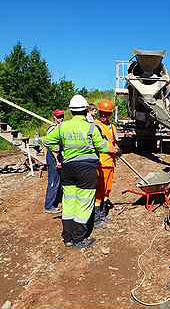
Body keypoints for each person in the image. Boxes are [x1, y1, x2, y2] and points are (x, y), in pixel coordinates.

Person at [45, 95, 118, 249]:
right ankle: (79, 238)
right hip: (86, 169)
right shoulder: (91, 127)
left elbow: (48, 141)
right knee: (84, 203)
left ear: (71, 111)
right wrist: (115, 149)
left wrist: (60, 151)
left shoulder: (62, 127)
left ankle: (68, 237)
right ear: (86, 110)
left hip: (68, 168)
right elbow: (103, 146)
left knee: (69, 201)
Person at [94, 99, 118, 227]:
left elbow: (114, 143)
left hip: (111, 163)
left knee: (107, 190)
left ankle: (103, 213)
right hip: (101, 163)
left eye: (107, 114)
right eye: (102, 113)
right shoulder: (96, 126)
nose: (104, 116)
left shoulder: (112, 127)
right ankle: (97, 218)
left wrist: (118, 149)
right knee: (99, 191)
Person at [44, 109, 64, 214]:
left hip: (58, 155)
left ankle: (55, 201)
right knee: (53, 181)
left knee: (59, 180)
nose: (61, 118)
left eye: (62, 116)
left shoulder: (61, 128)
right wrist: (58, 161)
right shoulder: (53, 129)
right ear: (54, 118)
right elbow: (53, 148)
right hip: (53, 157)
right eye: (59, 117)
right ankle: (49, 205)